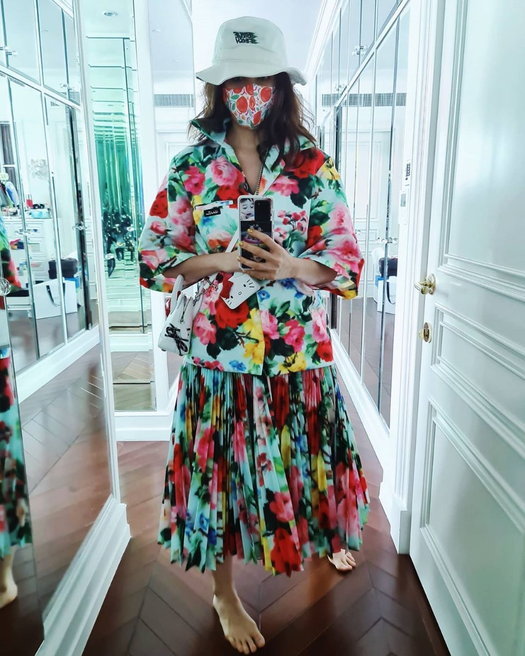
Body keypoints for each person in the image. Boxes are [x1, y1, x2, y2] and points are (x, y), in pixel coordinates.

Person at [138, 15, 370, 655]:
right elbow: (154, 261)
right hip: (220, 356)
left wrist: (291, 265)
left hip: (298, 351)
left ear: (279, 86)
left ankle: (324, 534)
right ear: (219, 87)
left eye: (261, 78)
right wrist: (220, 259)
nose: (249, 91)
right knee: (217, 473)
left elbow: (347, 260)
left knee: (309, 459)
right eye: (236, 79)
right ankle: (224, 593)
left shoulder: (311, 166)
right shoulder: (190, 168)